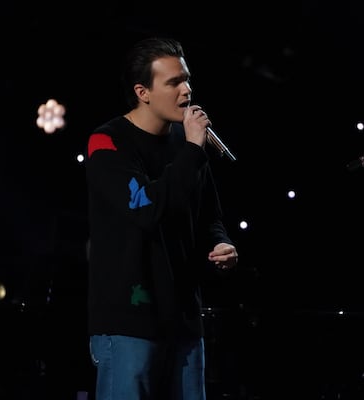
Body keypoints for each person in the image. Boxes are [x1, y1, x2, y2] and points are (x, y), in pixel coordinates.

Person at [84, 36, 238, 400]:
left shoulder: (187, 146)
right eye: (173, 83)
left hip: (183, 318)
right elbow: (147, 209)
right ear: (143, 91)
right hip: (129, 320)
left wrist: (221, 241)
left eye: (186, 79)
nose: (187, 91)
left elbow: (208, 214)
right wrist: (191, 150)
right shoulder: (107, 142)